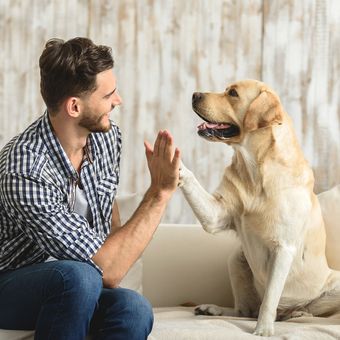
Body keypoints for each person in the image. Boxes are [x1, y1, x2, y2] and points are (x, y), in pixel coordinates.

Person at [0, 37, 181, 340]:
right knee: (78, 275)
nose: (118, 100)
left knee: (133, 308)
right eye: (108, 94)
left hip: (79, 283)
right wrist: (159, 193)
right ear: (74, 106)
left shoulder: (106, 138)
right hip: (9, 283)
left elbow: (108, 218)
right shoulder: (25, 168)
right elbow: (106, 269)